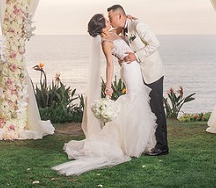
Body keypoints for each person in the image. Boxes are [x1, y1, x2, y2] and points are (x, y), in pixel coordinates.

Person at [52, 13, 157, 176]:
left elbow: (126, 32)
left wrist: (132, 19)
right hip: (129, 70)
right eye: (107, 21)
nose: (110, 22)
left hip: (134, 66)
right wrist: (108, 86)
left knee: (136, 99)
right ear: (101, 27)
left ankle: (135, 141)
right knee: (133, 99)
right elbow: (109, 65)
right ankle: (130, 143)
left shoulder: (114, 33)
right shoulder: (105, 43)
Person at [107, 4, 168, 155]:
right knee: (146, 109)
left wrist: (136, 56)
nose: (109, 20)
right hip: (139, 74)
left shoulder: (138, 25)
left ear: (119, 16)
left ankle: (162, 146)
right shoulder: (125, 28)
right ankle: (150, 142)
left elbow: (155, 44)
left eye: (110, 17)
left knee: (157, 108)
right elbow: (112, 35)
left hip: (152, 72)